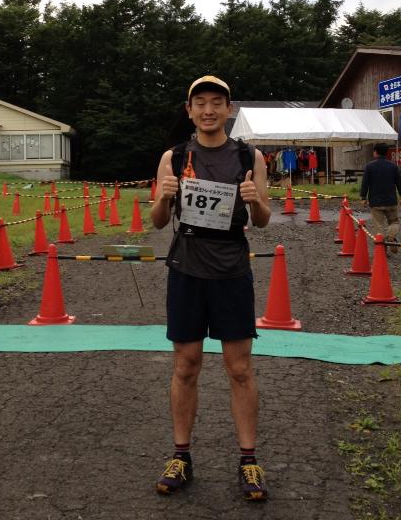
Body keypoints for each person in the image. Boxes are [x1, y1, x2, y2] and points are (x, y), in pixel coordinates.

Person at [150, 75, 272, 502]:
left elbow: (263, 220)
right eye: (199, 102)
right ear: (189, 111)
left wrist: (255, 199)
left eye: (216, 102)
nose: (208, 110)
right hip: (186, 266)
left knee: (239, 368)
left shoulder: (249, 155)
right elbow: (158, 222)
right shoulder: (174, 156)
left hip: (232, 268)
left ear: (228, 109)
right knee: (186, 365)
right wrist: (163, 197)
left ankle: (249, 459)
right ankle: (181, 455)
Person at [359, 143, 401, 254]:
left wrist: (363, 197)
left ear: (375, 152)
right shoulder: (393, 166)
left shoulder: (369, 166)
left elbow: (365, 184)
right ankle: (391, 237)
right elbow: (399, 183)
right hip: (391, 201)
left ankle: (382, 250)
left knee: (379, 226)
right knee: (394, 222)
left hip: (375, 202)